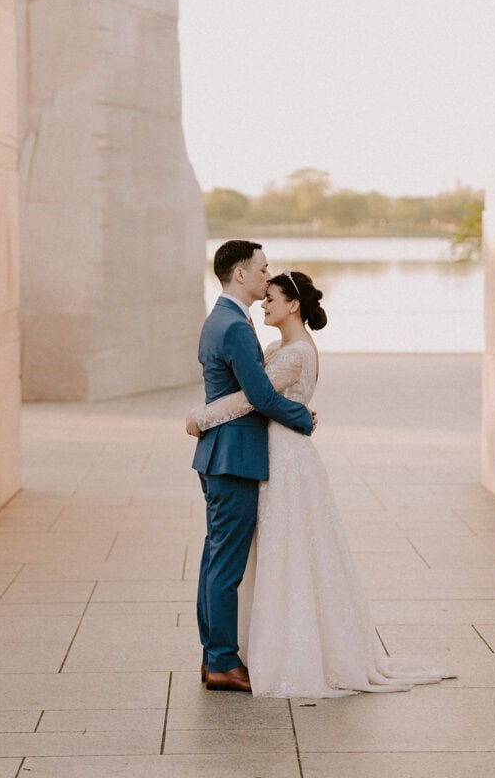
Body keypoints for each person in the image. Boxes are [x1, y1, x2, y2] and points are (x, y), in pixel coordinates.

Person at [187, 269, 452, 697]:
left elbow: (257, 398)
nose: (265, 303)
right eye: (264, 294)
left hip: (286, 459)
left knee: (288, 551)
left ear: (293, 304)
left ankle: (278, 649)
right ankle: (236, 651)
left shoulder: (295, 354)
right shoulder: (277, 346)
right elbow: (264, 397)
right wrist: (296, 414)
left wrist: (200, 418)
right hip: (269, 454)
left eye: (272, 297)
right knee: (271, 553)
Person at [191, 241, 314, 693]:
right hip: (234, 456)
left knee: (214, 559)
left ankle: (213, 655)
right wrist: (302, 418)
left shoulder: (222, 319)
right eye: (263, 269)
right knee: (226, 564)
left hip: (219, 453)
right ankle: (222, 660)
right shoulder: (236, 327)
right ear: (240, 275)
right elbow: (259, 396)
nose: (268, 277)